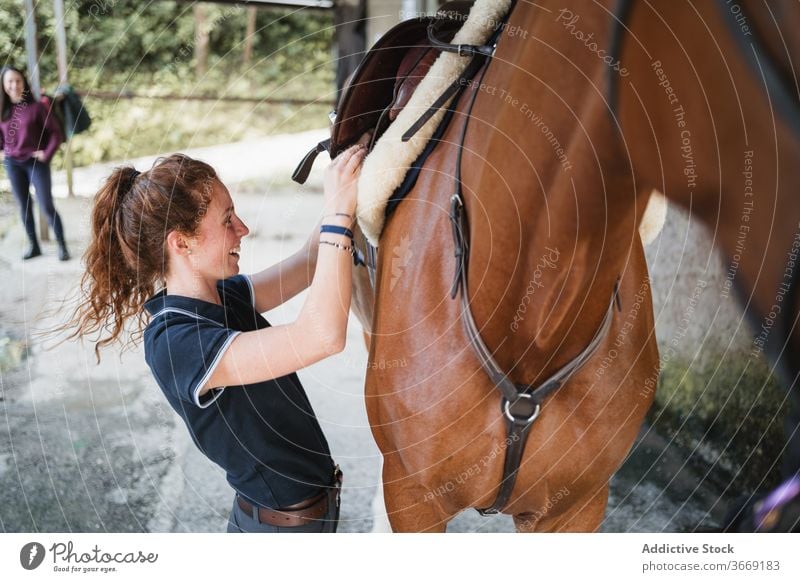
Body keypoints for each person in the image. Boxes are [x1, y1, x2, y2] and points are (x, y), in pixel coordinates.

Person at [67, 144, 367, 532]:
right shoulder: (175, 342)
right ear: (182, 243)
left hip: (309, 517)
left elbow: (311, 260)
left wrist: (354, 175)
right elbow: (321, 336)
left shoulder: (225, 294)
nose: (243, 228)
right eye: (227, 220)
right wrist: (339, 213)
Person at [0, 66, 68, 261]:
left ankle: (62, 246)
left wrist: (46, 154)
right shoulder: (2, 111)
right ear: (4, 86)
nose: (14, 85)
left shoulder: (37, 107)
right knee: (24, 206)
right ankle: (34, 246)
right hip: (13, 164)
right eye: (9, 82)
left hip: (35, 163)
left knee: (46, 205)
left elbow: (56, 133)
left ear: (24, 83)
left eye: (18, 81)